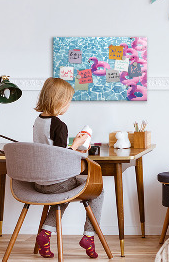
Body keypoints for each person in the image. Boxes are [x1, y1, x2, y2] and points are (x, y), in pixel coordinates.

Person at [33, 77, 103, 259]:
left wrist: (72, 146)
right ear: (59, 101)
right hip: (56, 182)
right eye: (68, 101)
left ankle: (45, 234)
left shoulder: (38, 121)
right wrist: (77, 145)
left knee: (64, 193)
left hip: (39, 182)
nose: (69, 105)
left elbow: (50, 150)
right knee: (98, 190)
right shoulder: (59, 125)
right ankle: (89, 236)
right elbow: (60, 157)